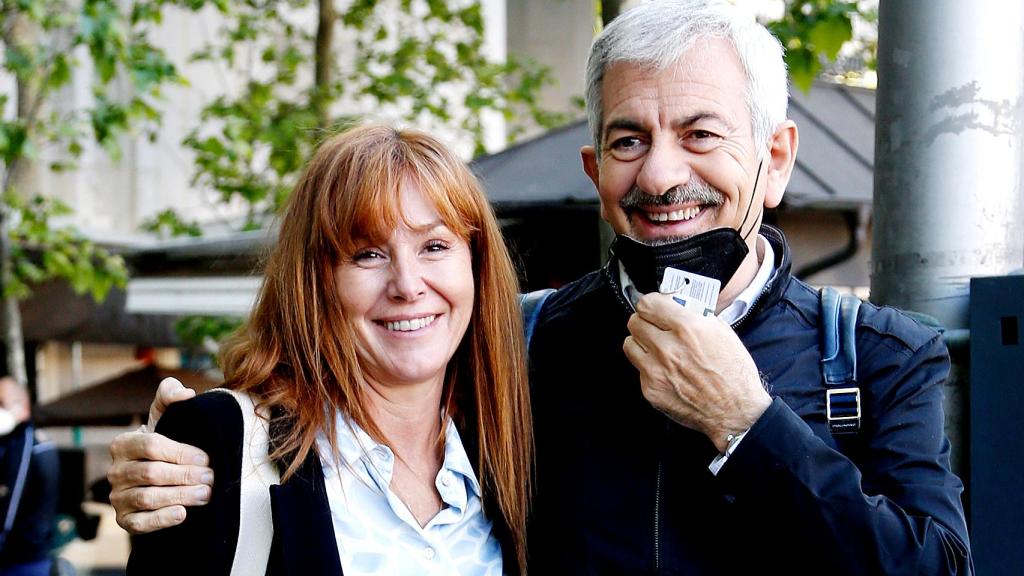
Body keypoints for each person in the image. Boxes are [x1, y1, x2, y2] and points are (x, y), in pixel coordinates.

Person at [107, 1, 972, 574]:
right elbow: (350, 375)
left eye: (701, 133)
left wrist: (748, 427)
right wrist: (187, 449)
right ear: (595, 169)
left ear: (775, 159)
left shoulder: (879, 357)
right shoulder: (520, 340)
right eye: (629, 141)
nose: (662, 174)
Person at [124, 124, 533, 574]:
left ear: (476, 265)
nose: (408, 286)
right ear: (315, 280)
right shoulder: (221, 449)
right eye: (368, 254)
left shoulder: (513, 447)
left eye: (434, 246)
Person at [0, 377, 60, 576]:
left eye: (2, 403)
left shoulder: (24, 442)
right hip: (31, 555)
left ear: (23, 406)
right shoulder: (34, 440)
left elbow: (11, 499)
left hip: (21, 559)